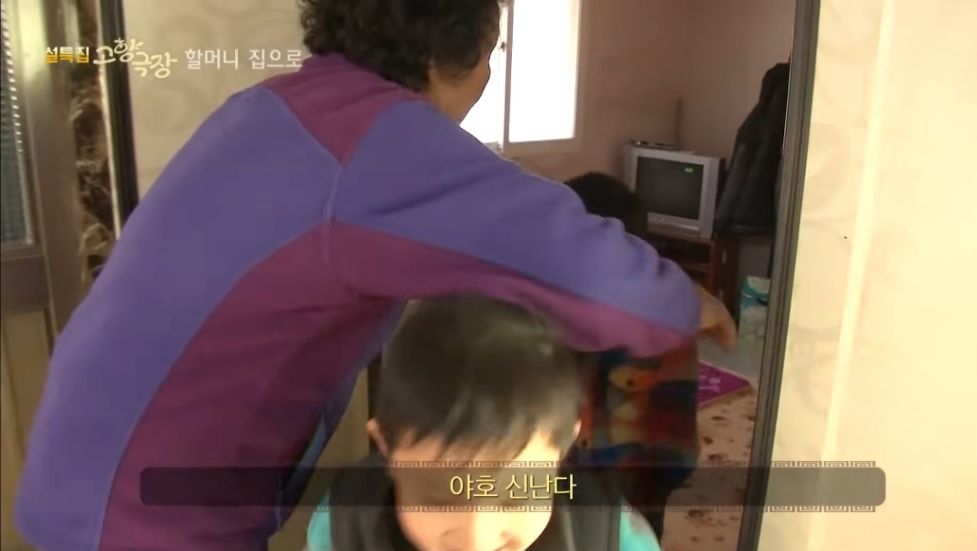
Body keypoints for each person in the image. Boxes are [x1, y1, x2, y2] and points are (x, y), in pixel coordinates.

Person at [15, 1, 734, 549]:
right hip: (146, 510)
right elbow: (605, 284)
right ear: (464, 51)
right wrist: (686, 297)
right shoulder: (376, 142)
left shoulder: (272, 110)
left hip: (83, 469)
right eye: (494, 52)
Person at [306, 295, 661, 551]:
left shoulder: (609, 536)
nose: (476, 540)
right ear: (386, 446)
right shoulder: (344, 527)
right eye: (438, 499)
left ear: (562, 449)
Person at [565, 172, 737, 538]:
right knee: (643, 526)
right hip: (658, 458)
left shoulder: (568, 310)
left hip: (593, 467)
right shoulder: (677, 301)